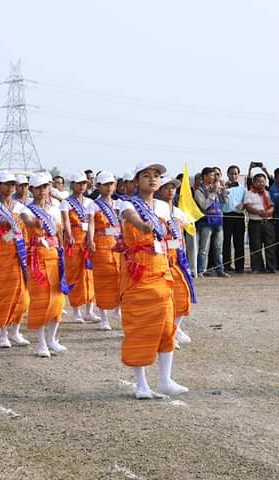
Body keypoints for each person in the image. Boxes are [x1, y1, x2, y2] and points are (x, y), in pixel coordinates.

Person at [119, 161, 187, 399]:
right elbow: (132, 218)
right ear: (136, 181)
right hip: (138, 272)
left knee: (167, 325)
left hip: (162, 270)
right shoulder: (127, 203)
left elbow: (170, 235)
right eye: (146, 175)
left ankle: (166, 379)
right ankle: (141, 385)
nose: (153, 179)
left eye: (156, 175)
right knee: (140, 327)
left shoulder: (163, 207)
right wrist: (143, 225)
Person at [20, 172, 69, 358]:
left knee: (57, 299)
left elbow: (59, 233)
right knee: (41, 299)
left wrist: (62, 251)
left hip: (54, 256)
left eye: (45, 187)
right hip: (37, 257)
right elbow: (30, 222)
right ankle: (41, 343)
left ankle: (52, 339)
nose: (43, 191)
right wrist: (39, 221)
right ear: (31, 189)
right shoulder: (26, 209)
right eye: (38, 187)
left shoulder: (55, 208)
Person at [0, 172, 31, 347]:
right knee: (5, 296)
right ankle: (3, 333)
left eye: (13, 184)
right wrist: (5, 222)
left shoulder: (20, 206)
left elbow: (27, 221)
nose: (11, 187)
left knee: (22, 296)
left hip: (20, 255)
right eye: (6, 184)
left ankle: (15, 332)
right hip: (2, 256)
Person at [156, 176, 197, 348]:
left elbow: (184, 234)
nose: (170, 190)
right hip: (161, 258)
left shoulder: (179, 212)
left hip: (178, 257)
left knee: (183, 295)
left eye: (173, 187)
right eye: (166, 187)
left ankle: (176, 328)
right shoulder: (156, 210)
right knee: (165, 298)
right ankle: (168, 333)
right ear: (159, 190)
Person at [60, 172, 98, 323]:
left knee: (89, 274)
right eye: (78, 183)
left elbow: (92, 222)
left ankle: (89, 310)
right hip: (74, 240)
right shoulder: (66, 202)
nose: (82, 186)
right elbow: (66, 221)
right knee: (74, 273)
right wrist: (69, 235)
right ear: (72, 185)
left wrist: (91, 238)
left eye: (84, 183)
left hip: (87, 239)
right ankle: (76, 310)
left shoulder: (90, 202)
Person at [86, 171, 121, 331]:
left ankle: (117, 309)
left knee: (120, 277)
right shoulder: (93, 205)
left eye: (111, 184)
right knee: (102, 280)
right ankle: (103, 316)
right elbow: (91, 224)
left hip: (117, 244)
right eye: (105, 184)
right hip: (101, 244)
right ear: (98, 186)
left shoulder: (119, 204)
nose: (109, 187)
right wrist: (90, 240)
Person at [194, 167, 229, 277]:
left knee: (218, 248)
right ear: (204, 176)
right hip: (206, 222)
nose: (215, 177)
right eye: (212, 175)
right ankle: (200, 270)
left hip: (218, 221)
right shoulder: (199, 191)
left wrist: (223, 190)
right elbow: (204, 205)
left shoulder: (217, 188)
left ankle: (220, 269)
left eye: (216, 175)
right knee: (204, 248)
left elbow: (225, 202)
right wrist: (213, 192)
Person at [242, 168, 277, 273]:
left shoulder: (268, 192)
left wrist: (269, 212)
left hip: (268, 222)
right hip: (255, 222)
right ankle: (257, 267)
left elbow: (272, 206)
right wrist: (259, 212)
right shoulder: (249, 193)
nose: (261, 183)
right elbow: (247, 206)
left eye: (263, 181)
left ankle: (271, 267)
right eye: (258, 181)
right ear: (254, 182)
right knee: (255, 246)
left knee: (270, 245)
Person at [221, 165, 246, 273]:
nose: (233, 175)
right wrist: (225, 190)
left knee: (239, 242)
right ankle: (227, 265)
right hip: (226, 216)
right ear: (227, 174)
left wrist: (243, 205)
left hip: (239, 216)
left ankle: (240, 267)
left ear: (238, 175)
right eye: (231, 173)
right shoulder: (223, 187)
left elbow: (246, 201)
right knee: (226, 242)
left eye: (235, 173)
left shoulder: (243, 188)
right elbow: (222, 201)